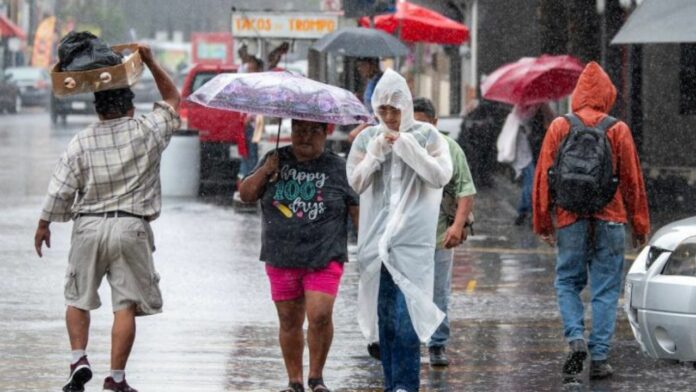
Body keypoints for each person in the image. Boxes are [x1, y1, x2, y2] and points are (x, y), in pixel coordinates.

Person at [34, 44, 181, 392]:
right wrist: (148, 59)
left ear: (98, 110)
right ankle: (115, 379)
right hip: (131, 227)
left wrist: (43, 224)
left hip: (88, 227)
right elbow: (174, 98)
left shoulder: (81, 142)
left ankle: (78, 358)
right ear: (130, 106)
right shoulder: (147, 130)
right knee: (125, 305)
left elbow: (60, 189)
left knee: (77, 298)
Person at [533, 62, 650, 381]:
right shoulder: (617, 129)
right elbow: (632, 182)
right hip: (610, 219)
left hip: (570, 218)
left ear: (578, 95)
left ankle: (575, 338)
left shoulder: (560, 126)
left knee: (567, 282)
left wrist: (543, 222)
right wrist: (639, 226)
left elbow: (544, 176)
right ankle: (599, 357)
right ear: (607, 94)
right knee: (606, 289)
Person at [347, 69, 452, 392]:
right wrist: (376, 154)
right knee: (385, 322)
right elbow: (356, 182)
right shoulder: (367, 138)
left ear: (406, 106)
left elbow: (440, 176)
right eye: (383, 110)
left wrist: (407, 147)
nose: (390, 117)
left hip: (412, 245)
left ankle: (406, 385)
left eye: (395, 109)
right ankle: (393, 384)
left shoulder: (428, 137)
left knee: (408, 320)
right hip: (376, 245)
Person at [238, 119, 359, 392]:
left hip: (324, 255)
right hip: (281, 254)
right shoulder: (274, 159)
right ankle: (295, 381)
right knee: (289, 321)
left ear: (325, 133)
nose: (304, 137)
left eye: (313, 131)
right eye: (298, 130)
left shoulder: (339, 167)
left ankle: (316, 378)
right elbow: (246, 194)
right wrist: (265, 171)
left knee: (319, 315)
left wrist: (370, 247)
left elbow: (356, 208)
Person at [412, 97, 476, 366]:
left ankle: (437, 344)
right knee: (410, 291)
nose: (420, 131)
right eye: (414, 124)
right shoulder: (403, 148)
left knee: (438, 292)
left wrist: (457, 225)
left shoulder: (451, 149)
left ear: (435, 123)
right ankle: (409, 340)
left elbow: (466, 190)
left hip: (440, 237)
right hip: (409, 238)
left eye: (425, 124)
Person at [238, 56, 264, 180]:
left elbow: (258, 104)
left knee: (251, 153)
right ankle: (245, 177)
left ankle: (251, 177)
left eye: (252, 69)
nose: (249, 72)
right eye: (248, 69)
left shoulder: (259, 85)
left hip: (253, 125)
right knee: (245, 153)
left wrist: (251, 117)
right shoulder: (247, 84)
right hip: (245, 123)